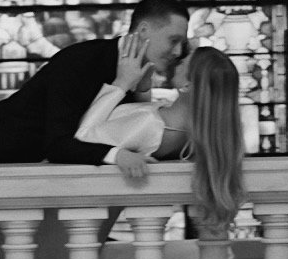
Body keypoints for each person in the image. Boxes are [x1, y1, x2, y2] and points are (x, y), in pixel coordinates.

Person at [0, 0, 191, 168]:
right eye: (173, 40)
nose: (179, 51)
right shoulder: (81, 61)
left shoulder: (138, 74)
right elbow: (59, 143)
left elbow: (121, 133)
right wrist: (117, 155)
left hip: (36, 172)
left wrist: (141, 87)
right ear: (143, 30)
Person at [76, 44, 247, 233]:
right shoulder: (185, 133)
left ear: (188, 85)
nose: (177, 62)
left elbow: (82, 137)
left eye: (183, 63)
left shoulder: (151, 124)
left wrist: (121, 83)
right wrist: (143, 89)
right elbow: (141, 132)